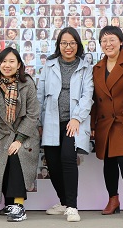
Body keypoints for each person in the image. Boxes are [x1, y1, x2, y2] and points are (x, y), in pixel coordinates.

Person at [37, 27, 93, 222]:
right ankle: (63, 202)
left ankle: (72, 206)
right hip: (51, 121)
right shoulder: (49, 65)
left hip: (73, 122)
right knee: (52, 164)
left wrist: (77, 118)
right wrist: (39, 122)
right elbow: (40, 94)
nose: (68, 47)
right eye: (64, 43)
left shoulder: (85, 67)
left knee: (68, 158)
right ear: (58, 45)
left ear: (78, 45)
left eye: (72, 43)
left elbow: (87, 95)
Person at [91, 25, 123, 220]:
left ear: (121, 42)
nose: (108, 44)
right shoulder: (98, 68)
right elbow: (95, 100)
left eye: (112, 39)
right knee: (109, 162)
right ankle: (113, 200)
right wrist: (92, 125)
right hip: (104, 122)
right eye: (104, 41)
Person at [0, 48, 40, 222]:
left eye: (11, 61)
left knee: (16, 155)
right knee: (3, 160)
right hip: (2, 137)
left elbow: (33, 115)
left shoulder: (27, 83)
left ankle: (19, 205)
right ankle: (9, 203)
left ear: (19, 65)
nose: (7, 65)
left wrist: (19, 139)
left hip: (26, 136)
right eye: (3, 61)